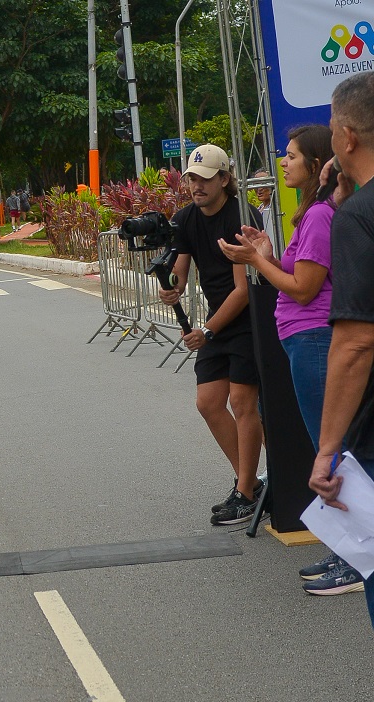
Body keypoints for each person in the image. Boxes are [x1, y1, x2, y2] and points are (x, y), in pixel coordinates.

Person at [218, 125, 361, 594]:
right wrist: (266, 254)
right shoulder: (312, 214)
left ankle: (357, 556)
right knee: (331, 447)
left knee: (333, 450)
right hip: (306, 340)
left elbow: (303, 288)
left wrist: (255, 261)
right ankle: (348, 548)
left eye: (292, 156)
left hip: (315, 340)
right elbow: (298, 275)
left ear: (316, 163)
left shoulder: (318, 215)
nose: (283, 162)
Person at [158, 144, 265, 526]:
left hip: (248, 319)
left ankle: (246, 493)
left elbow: (242, 290)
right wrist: (170, 285)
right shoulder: (186, 218)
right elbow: (180, 270)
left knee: (242, 401)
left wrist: (206, 329)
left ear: (223, 179)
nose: (196, 186)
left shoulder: (240, 216)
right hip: (217, 318)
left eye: (204, 179)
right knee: (207, 403)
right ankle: (250, 484)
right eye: (191, 179)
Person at [308, 72, 374, 627]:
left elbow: (355, 342)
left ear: (348, 137)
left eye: (332, 127)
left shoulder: (356, 219)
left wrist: (327, 450)